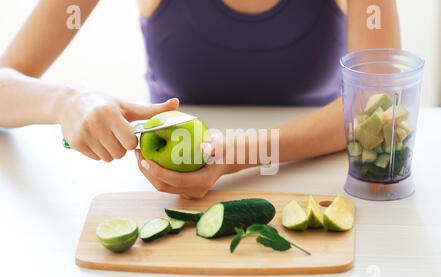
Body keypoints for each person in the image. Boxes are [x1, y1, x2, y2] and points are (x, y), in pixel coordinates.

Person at [0, 0, 400, 199]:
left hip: (319, 176)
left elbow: (378, 108)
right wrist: (66, 100)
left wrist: (235, 154)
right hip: (164, 191)